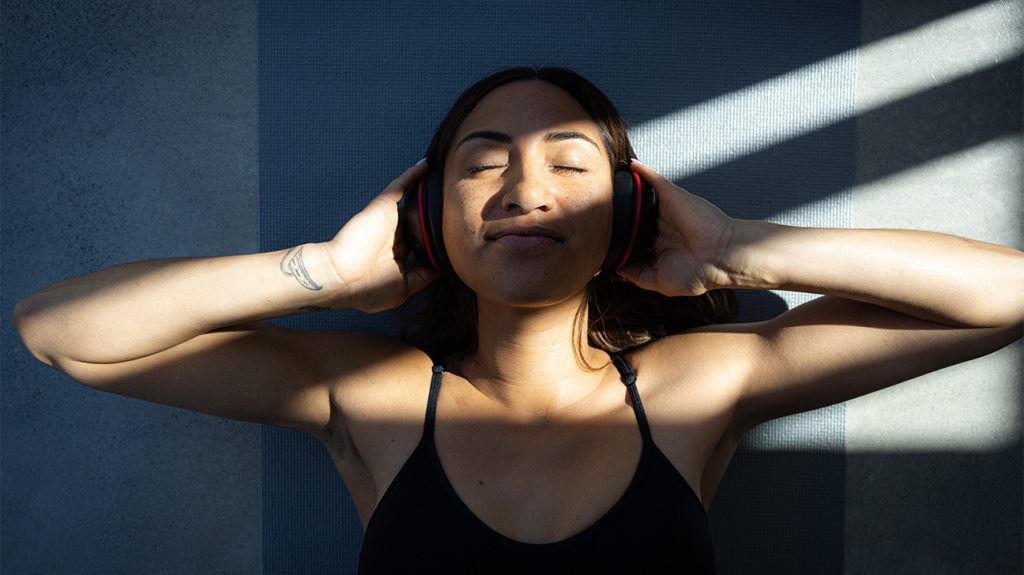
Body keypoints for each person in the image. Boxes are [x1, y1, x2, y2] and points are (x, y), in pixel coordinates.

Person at [11, 66, 1023, 573]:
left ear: (627, 211)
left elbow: (1005, 293)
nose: (524, 190)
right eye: (484, 162)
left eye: (570, 163)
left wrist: (731, 245)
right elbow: (58, 331)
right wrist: (326, 271)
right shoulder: (369, 396)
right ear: (428, 217)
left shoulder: (698, 385)